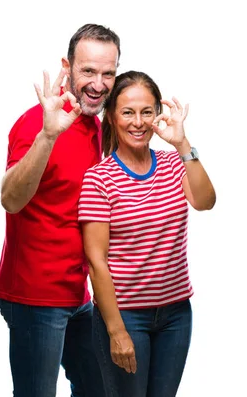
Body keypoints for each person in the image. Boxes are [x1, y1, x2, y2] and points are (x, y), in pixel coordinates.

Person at [0, 23, 121, 397]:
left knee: (100, 388)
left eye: (108, 73)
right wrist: (48, 136)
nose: (98, 84)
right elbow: (10, 199)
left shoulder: (95, 125)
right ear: (67, 67)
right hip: (36, 297)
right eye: (88, 71)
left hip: (80, 294)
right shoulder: (37, 123)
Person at [78, 70, 216, 397]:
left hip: (176, 315)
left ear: (157, 115)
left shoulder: (173, 164)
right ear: (111, 117)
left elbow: (205, 201)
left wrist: (182, 142)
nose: (138, 122)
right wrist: (116, 331)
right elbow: (96, 262)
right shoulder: (99, 180)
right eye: (127, 112)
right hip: (126, 317)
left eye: (146, 112)